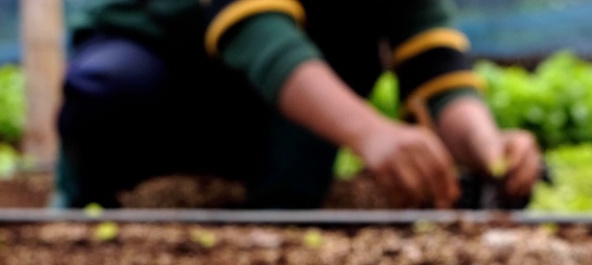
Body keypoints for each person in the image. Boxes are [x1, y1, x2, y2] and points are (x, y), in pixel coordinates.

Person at [56, 0, 541, 209]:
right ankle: (89, 207)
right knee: (110, 89)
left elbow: (437, 69)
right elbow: (256, 30)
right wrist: (371, 132)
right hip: (164, 61)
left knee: (295, 187)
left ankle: (271, 197)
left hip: (269, 103)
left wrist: (490, 146)